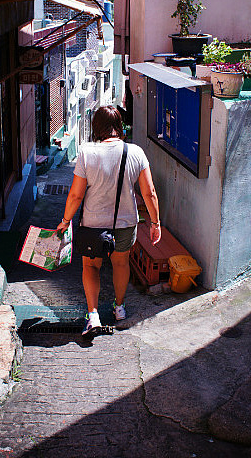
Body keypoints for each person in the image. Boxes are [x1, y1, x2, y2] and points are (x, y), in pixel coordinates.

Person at [57, 105, 161, 338]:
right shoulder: (136, 152)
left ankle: (93, 315)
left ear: (97, 127)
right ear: (119, 127)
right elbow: (149, 193)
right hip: (125, 223)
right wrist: (155, 223)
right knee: (121, 264)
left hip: (92, 225)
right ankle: (120, 308)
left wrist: (65, 220)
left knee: (90, 266)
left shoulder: (87, 152)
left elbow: (75, 195)